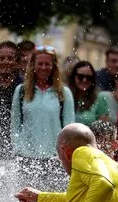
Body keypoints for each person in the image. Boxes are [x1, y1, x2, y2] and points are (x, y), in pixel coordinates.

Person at [10, 45, 74, 189]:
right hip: (26, 158)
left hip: (54, 159)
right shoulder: (21, 91)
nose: (43, 67)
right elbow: (14, 125)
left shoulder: (64, 93)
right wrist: (18, 148)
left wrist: (65, 156)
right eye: (40, 63)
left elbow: (70, 129)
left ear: (53, 66)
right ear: (33, 65)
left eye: (47, 64)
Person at [0, 41, 22, 157]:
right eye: (1, 58)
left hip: (17, 150)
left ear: (17, 62)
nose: (5, 62)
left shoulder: (24, 88)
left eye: (10, 58)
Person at [68, 60, 109, 126]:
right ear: (74, 77)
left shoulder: (99, 98)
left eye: (89, 78)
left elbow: (103, 128)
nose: (84, 80)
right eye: (80, 77)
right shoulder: (66, 95)